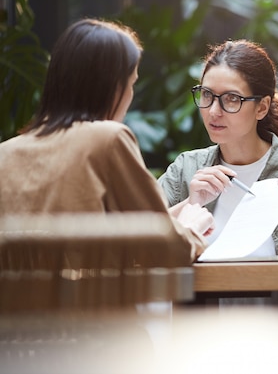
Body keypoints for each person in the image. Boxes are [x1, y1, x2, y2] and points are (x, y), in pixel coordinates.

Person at [0, 18, 214, 262]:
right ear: (112, 87)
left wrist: (184, 209)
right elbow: (164, 249)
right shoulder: (106, 139)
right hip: (90, 300)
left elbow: (124, 230)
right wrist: (192, 228)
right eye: (131, 83)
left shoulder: (6, 153)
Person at [157, 39, 278, 309]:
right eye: (207, 95)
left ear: (262, 107)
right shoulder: (186, 169)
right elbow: (141, 249)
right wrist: (191, 202)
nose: (213, 111)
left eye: (232, 99)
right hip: (202, 340)